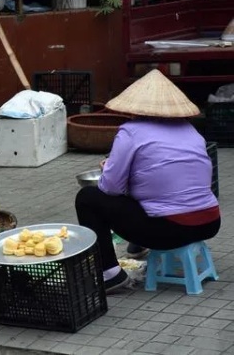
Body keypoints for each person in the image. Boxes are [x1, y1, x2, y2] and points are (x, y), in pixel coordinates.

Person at [75, 69, 220, 293]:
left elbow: (110, 188)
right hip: (210, 222)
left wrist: (108, 168)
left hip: (170, 230)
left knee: (88, 198)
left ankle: (110, 274)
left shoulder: (131, 131)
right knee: (149, 187)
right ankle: (137, 247)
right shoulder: (191, 131)